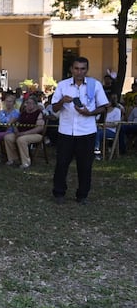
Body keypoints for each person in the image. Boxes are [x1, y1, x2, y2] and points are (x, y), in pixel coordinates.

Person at [50, 57, 108, 205]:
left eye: (82, 69)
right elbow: (54, 108)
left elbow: (103, 106)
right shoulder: (63, 85)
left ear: (86, 70)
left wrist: (91, 113)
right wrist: (63, 101)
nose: (79, 72)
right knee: (62, 164)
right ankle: (59, 193)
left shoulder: (95, 85)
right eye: (76, 68)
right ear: (71, 69)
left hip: (86, 132)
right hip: (66, 131)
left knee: (85, 166)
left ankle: (82, 195)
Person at [3, 95, 45, 169]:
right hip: (21, 133)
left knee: (21, 140)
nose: (28, 105)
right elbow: (16, 123)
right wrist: (16, 131)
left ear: (35, 104)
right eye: (27, 103)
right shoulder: (24, 112)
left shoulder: (39, 113)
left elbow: (39, 128)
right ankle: (13, 159)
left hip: (35, 134)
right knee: (8, 137)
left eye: (30, 103)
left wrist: (24, 133)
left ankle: (25, 163)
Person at [94, 94, 122, 160]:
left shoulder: (117, 110)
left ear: (110, 102)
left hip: (111, 131)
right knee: (91, 133)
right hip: (100, 129)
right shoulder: (102, 111)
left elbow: (116, 124)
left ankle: (97, 153)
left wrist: (105, 125)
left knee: (97, 133)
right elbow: (96, 120)